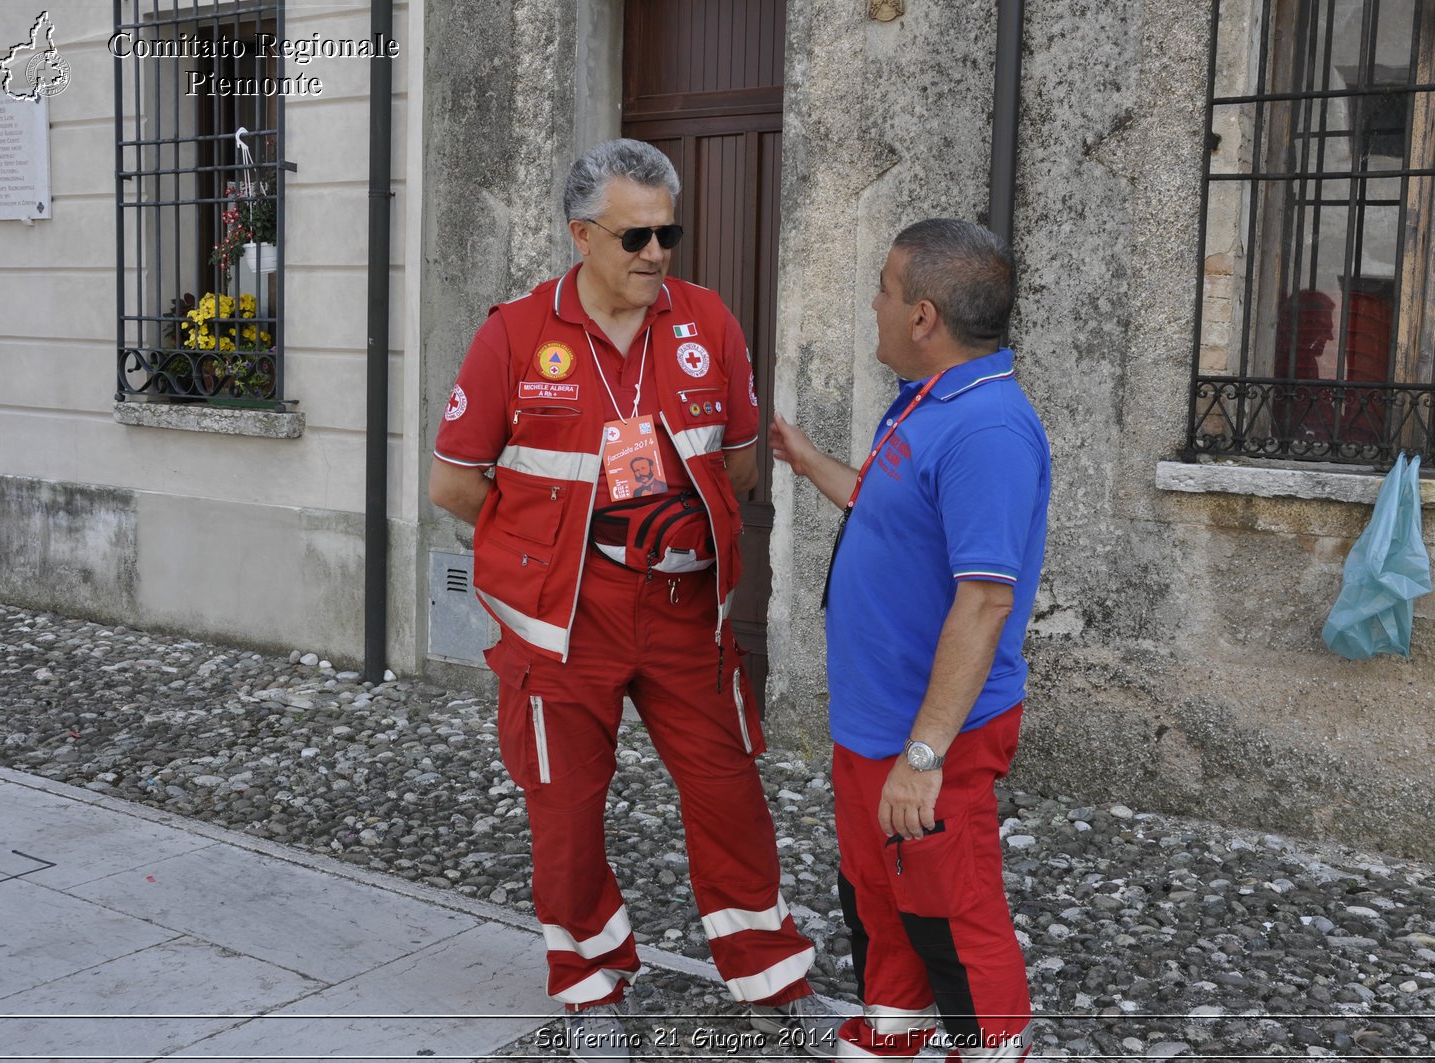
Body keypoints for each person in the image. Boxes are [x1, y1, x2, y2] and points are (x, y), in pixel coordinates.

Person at [429, 139, 838, 1060]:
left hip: (686, 609)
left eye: (670, 232)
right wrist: (544, 549)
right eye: (636, 236)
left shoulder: (708, 324)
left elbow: (736, 465)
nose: (657, 253)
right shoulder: (514, 335)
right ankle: (591, 985)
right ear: (581, 236)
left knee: (730, 794)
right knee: (566, 812)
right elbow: (454, 485)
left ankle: (773, 978)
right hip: (566, 618)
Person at [770, 218, 1050, 1062]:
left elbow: (985, 603)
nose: (876, 304)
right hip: (872, 723)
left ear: (923, 316)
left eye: (886, 290)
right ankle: (889, 1039)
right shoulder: (929, 401)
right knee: (877, 898)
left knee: (952, 914)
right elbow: (889, 508)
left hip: (932, 737)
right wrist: (807, 458)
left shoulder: (987, 431)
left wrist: (923, 756)